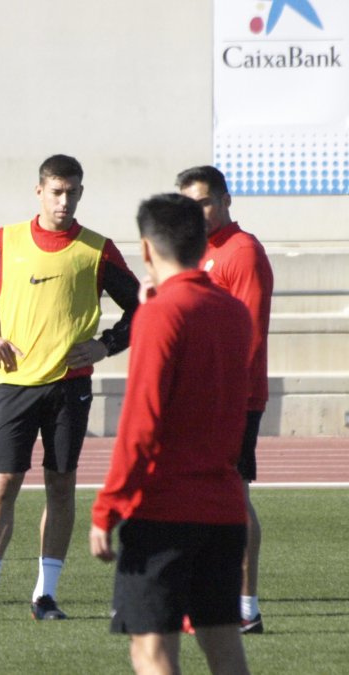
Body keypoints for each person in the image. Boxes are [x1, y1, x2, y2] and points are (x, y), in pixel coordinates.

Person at [0, 154, 140, 621]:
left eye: (71, 192)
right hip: (16, 386)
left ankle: (44, 595)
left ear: (81, 193)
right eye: (56, 192)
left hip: (71, 388)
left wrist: (106, 346)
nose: (63, 201)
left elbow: (144, 308)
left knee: (61, 485)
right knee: (3, 484)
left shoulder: (96, 249)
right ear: (39, 192)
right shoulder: (7, 242)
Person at [90, 193, 252, 675]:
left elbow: (141, 423)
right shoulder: (232, 312)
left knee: (151, 650)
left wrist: (107, 506)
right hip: (223, 507)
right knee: (222, 643)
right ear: (204, 242)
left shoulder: (161, 315)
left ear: (145, 249)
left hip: (164, 509)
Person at [177, 165, 273, 635]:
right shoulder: (198, 253)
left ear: (225, 199)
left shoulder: (243, 252)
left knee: (233, 497)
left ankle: (245, 607)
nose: (195, 214)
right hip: (202, 396)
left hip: (233, 397)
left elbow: (248, 335)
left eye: (203, 203)